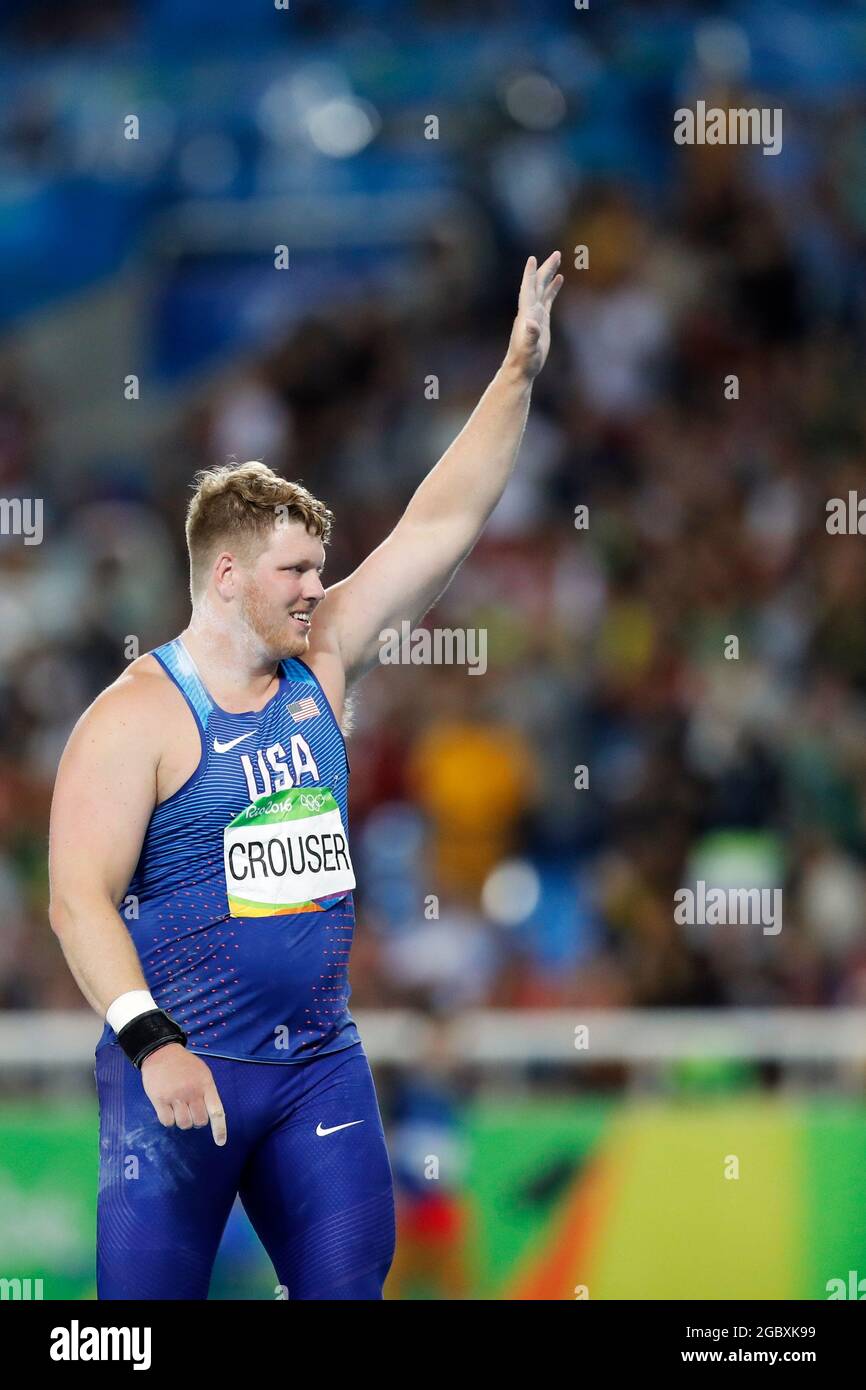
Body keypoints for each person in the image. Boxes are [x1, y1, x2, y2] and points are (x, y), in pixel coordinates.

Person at [47, 252, 563, 1300]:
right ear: (226, 575)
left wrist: (513, 373)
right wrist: (150, 1045)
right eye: (294, 571)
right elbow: (74, 900)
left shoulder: (319, 659)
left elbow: (438, 525)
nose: (315, 588)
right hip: (176, 1076)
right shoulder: (135, 717)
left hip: (317, 1068)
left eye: (318, 568)